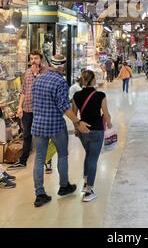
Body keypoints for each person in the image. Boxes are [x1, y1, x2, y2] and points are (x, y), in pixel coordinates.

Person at [31, 54, 90, 208]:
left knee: (39, 159)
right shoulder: (60, 82)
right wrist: (77, 122)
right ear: (63, 65)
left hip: (38, 125)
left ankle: (40, 194)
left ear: (50, 63)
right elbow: (64, 107)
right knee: (62, 155)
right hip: (55, 125)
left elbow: (33, 103)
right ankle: (64, 186)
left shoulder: (38, 79)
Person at [72, 70, 112, 202]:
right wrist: (110, 123)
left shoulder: (76, 96)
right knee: (93, 159)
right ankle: (89, 191)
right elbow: (105, 114)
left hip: (83, 130)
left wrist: (76, 128)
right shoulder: (100, 95)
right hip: (97, 131)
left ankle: (85, 181)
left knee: (88, 155)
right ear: (93, 80)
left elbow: (74, 115)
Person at [8, 51, 48, 171]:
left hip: (41, 110)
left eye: (36, 58)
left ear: (41, 59)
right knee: (26, 135)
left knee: (43, 135)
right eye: (31, 59)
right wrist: (20, 106)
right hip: (27, 109)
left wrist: (36, 75)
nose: (33, 61)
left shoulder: (47, 72)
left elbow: (45, 89)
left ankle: (48, 161)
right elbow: (24, 92)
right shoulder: (27, 73)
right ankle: (23, 160)